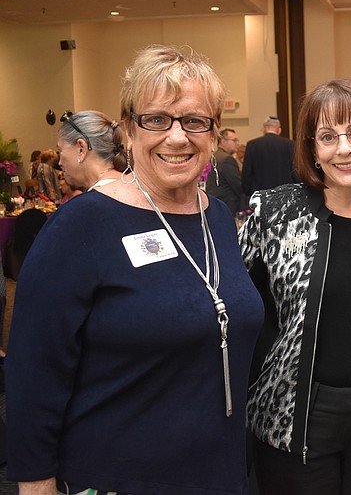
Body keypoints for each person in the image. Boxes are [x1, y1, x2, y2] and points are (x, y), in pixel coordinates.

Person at [5, 44, 264, 495]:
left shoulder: (217, 217)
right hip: (113, 477)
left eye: (194, 121)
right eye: (157, 119)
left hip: (216, 473)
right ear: (127, 131)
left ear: (214, 132)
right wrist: (35, 482)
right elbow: (34, 367)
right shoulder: (82, 225)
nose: (177, 137)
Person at [240, 78, 351, 495]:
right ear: (311, 149)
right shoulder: (275, 213)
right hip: (297, 412)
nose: (344, 148)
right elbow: (227, 297)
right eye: (327, 137)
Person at [56, 110, 126, 190]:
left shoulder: (86, 202)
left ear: (81, 149)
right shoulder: (134, 186)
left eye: (60, 150)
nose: (59, 163)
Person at [241, 116, 297, 198]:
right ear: (279, 130)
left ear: (264, 128)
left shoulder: (252, 145)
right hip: (284, 196)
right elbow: (295, 171)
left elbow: (246, 173)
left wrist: (248, 192)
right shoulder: (289, 144)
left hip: (260, 195)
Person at [206, 127, 243, 214]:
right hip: (228, 205)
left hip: (215, 203)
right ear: (223, 141)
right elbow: (237, 185)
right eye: (234, 140)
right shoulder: (227, 159)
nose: (237, 143)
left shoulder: (213, 156)